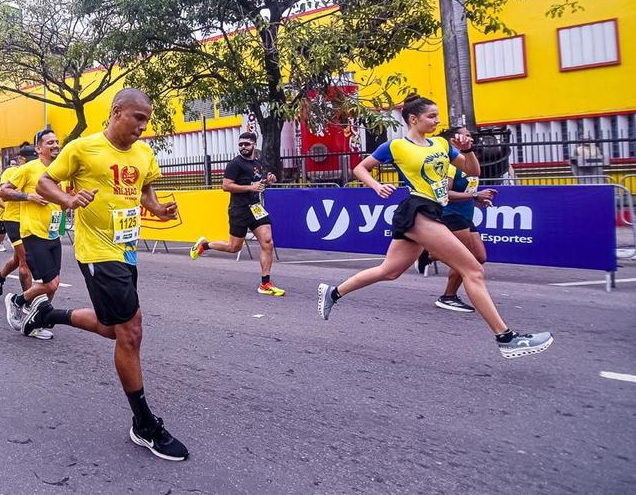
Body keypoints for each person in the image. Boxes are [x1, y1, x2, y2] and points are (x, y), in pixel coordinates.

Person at [316, 94, 553, 359]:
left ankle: (333, 293)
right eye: (431, 116)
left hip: (433, 211)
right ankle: (506, 338)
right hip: (418, 210)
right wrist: (376, 185)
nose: (437, 120)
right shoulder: (396, 146)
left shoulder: (441, 143)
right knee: (473, 269)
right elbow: (361, 168)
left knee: (390, 271)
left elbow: (472, 171)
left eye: (437, 115)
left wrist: (467, 150)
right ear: (413, 119)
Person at [29, 88, 189, 461]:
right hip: (98, 252)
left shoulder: (144, 153)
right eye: (138, 118)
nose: (143, 127)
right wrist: (67, 200)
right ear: (117, 112)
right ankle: (144, 424)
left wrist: (158, 209)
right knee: (131, 332)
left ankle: (50, 314)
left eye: (147, 121)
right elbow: (44, 183)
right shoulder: (82, 149)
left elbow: (144, 190)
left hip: (126, 248)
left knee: (112, 328)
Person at [188, 131, 284, 296]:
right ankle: (204, 245)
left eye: (246, 144)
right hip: (239, 209)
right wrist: (250, 188)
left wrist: (268, 180)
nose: (243, 147)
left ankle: (265, 284)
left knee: (267, 241)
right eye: (240, 144)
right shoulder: (235, 164)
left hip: (255, 207)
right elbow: (226, 186)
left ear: (254, 144)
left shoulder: (257, 163)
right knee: (234, 247)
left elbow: (256, 181)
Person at [416, 126, 498, 313]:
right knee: (467, 260)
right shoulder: (451, 165)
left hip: (466, 214)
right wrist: (475, 196)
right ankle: (448, 296)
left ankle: (428, 253)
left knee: (480, 257)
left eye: (471, 135)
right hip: (450, 214)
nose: (471, 138)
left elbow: (468, 189)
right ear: (455, 140)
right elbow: (444, 193)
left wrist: (478, 201)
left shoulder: (468, 161)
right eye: (466, 135)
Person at [3, 131, 63, 340]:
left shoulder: (60, 170)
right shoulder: (28, 169)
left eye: (57, 142)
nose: (55, 145)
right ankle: (18, 301)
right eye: (50, 143)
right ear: (38, 148)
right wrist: (29, 196)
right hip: (33, 232)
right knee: (50, 283)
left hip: (53, 232)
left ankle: (32, 318)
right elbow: (4, 192)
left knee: (54, 283)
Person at [0, 149, 34, 298]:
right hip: (14, 220)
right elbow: (1, 194)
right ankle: (28, 301)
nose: (31, 162)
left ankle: (0, 277)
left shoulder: (39, 170)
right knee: (25, 261)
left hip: (30, 219)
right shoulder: (11, 173)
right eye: (27, 159)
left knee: (17, 259)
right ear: (21, 159)